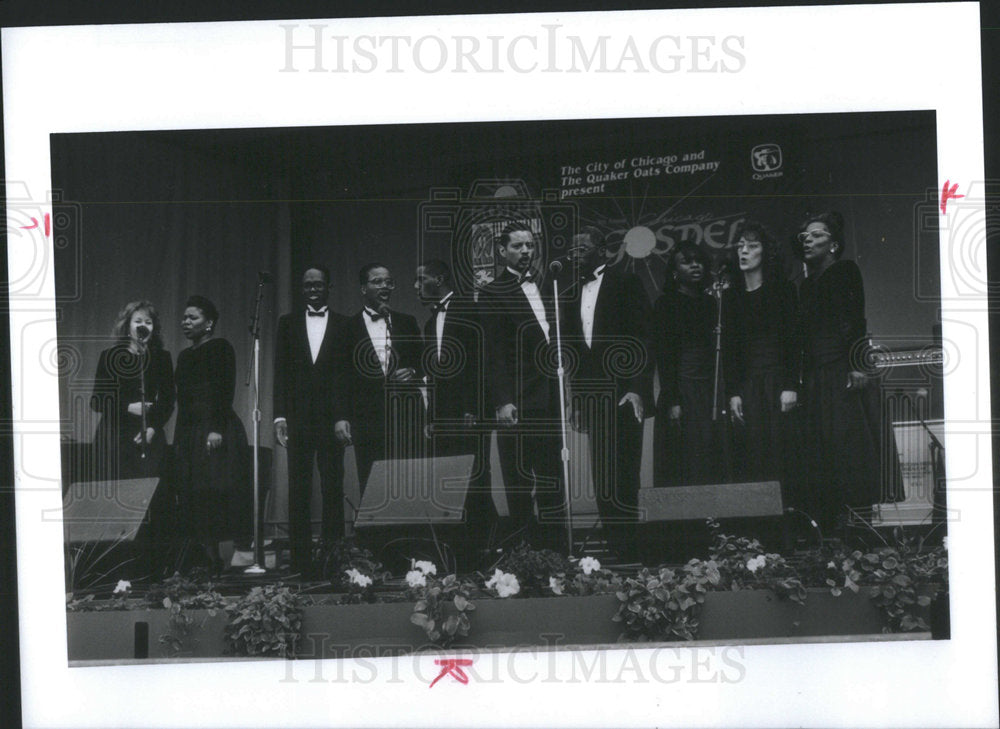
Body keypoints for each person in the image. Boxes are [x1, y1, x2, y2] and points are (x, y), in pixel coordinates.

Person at [795, 211, 902, 531]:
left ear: (834, 244)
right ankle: (832, 530)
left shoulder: (844, 270)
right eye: (804, 237)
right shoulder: (804, 285)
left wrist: (856, 367)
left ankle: (860, 528)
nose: (808, 241)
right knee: (823, 448)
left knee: (851, 447)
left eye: (816, 235)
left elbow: (856, 320)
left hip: (843, 368)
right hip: (817, 374)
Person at [561, 227, 652, 560]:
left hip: (624, 393)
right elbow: (573, 354)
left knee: (625, 473)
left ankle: (633, 552)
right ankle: (616, 551)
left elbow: (643, 339)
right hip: (592, 396)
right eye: (573, 251)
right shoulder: (569, 293)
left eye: (582, 248)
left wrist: (638, 390)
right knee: (603, 476)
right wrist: (577, 402)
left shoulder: (625, 282)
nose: (576, 255)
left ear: (602, 250)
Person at [479, 222, 565, 553]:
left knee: (552, 479)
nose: (526, 251)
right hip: (517, 401)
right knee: (518, 483)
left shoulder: (548, 286)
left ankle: (556, 554)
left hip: (549, 398)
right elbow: (494, 352)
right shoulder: (491, 292)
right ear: (502, 252)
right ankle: (522, 555)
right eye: (517, 246)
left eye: (530, 245)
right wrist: (502, 401)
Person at [415, 258, 494, 568]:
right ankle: (457, 554)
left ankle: (483, 551)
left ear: (440, 277)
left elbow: (481, 362)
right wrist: (431, 418)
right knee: (449, 482)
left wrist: (474, 408)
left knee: (475, 480)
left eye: (421, 279)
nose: (416, 286)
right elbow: (433, 377)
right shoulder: (429, 322)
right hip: (443, 418)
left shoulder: (468, 308)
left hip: (469, 413)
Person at [273, 265, 349, 577]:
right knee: (298, 489)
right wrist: (280, 417)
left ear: (328, 286)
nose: (313, 289)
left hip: (332, 420)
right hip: (298, 419)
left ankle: (334, 558)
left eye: (318, 284)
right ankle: (301, 562)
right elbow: (281, 372)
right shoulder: (287, 323)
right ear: (302, 290)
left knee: (333, 486)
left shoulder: (344, 324)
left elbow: (346, 376)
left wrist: (343, 416)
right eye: (307, 285)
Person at [172, 295, 251, 572]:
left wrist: (216, 428)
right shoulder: (183, 356)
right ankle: (209, 558)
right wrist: (179, 439)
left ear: (209, 323)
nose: (185, 322)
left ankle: (239, 554)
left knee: (221, 490)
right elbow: (182, 400)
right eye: (184, 318)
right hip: (192, 432)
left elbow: (224, 389)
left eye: (192, 317)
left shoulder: (221, 347)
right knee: (197, 495)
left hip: (218, 428)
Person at [721, 220, 801, 494]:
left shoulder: (783, 290)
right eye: (741, 245)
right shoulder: (731, 298)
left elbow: (793, 342)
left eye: (752, 246)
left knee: (780, 452)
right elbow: (730, 350)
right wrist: (733, 392)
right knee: (750, 453)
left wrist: (791, 385)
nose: (744, 251)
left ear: (766, 252)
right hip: (747, 384)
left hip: (776, 381)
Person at [333, 264, 423, 492]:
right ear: (363, 288)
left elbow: (423, 362)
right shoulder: (346, 328)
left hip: (406, 415)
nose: (384, 286)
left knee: (409, 479)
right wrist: (341, 416)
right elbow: (340, 377)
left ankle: (409, 528)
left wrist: (413, 372)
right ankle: (374, 529)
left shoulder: (407, 322)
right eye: (377, 281)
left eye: (388, 282)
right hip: (367, 417)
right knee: (372, 480)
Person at [652, 241, 723, 486]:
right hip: (682, 389)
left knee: (711, 455)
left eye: (699, 261)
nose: (696, 265)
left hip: (711, 388)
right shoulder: (666, 304)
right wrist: (673, 400)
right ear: (674, 271)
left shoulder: (711, 303)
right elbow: (665, 356)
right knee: (684, 457)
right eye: (687, 261)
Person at [90, 300, 175, 480]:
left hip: (148, 432)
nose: (143, 325)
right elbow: (97, 400)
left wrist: (153, 427)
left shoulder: (161, 357)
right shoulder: (109, 356)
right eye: (138, 321)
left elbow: (168, 399)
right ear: (127, 326)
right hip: (114, 435)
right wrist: (128, 407)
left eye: (148, 322)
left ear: (154, 329)